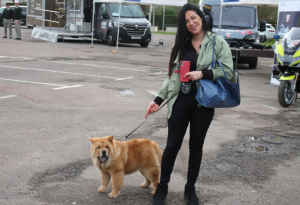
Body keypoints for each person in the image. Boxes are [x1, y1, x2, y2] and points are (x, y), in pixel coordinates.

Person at [146, 4, 234, 205]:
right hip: (181, 101)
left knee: (196, 147)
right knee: (172, 146)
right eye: (186, 21)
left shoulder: (217, 42)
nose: (191, 23)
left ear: (201, 18)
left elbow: (229, 71)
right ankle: (162, 187)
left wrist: (203, 73)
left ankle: (190, 188)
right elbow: (172, 77)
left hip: (204, 102)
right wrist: (157, 100)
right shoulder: (182, 45)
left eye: (193, 18)